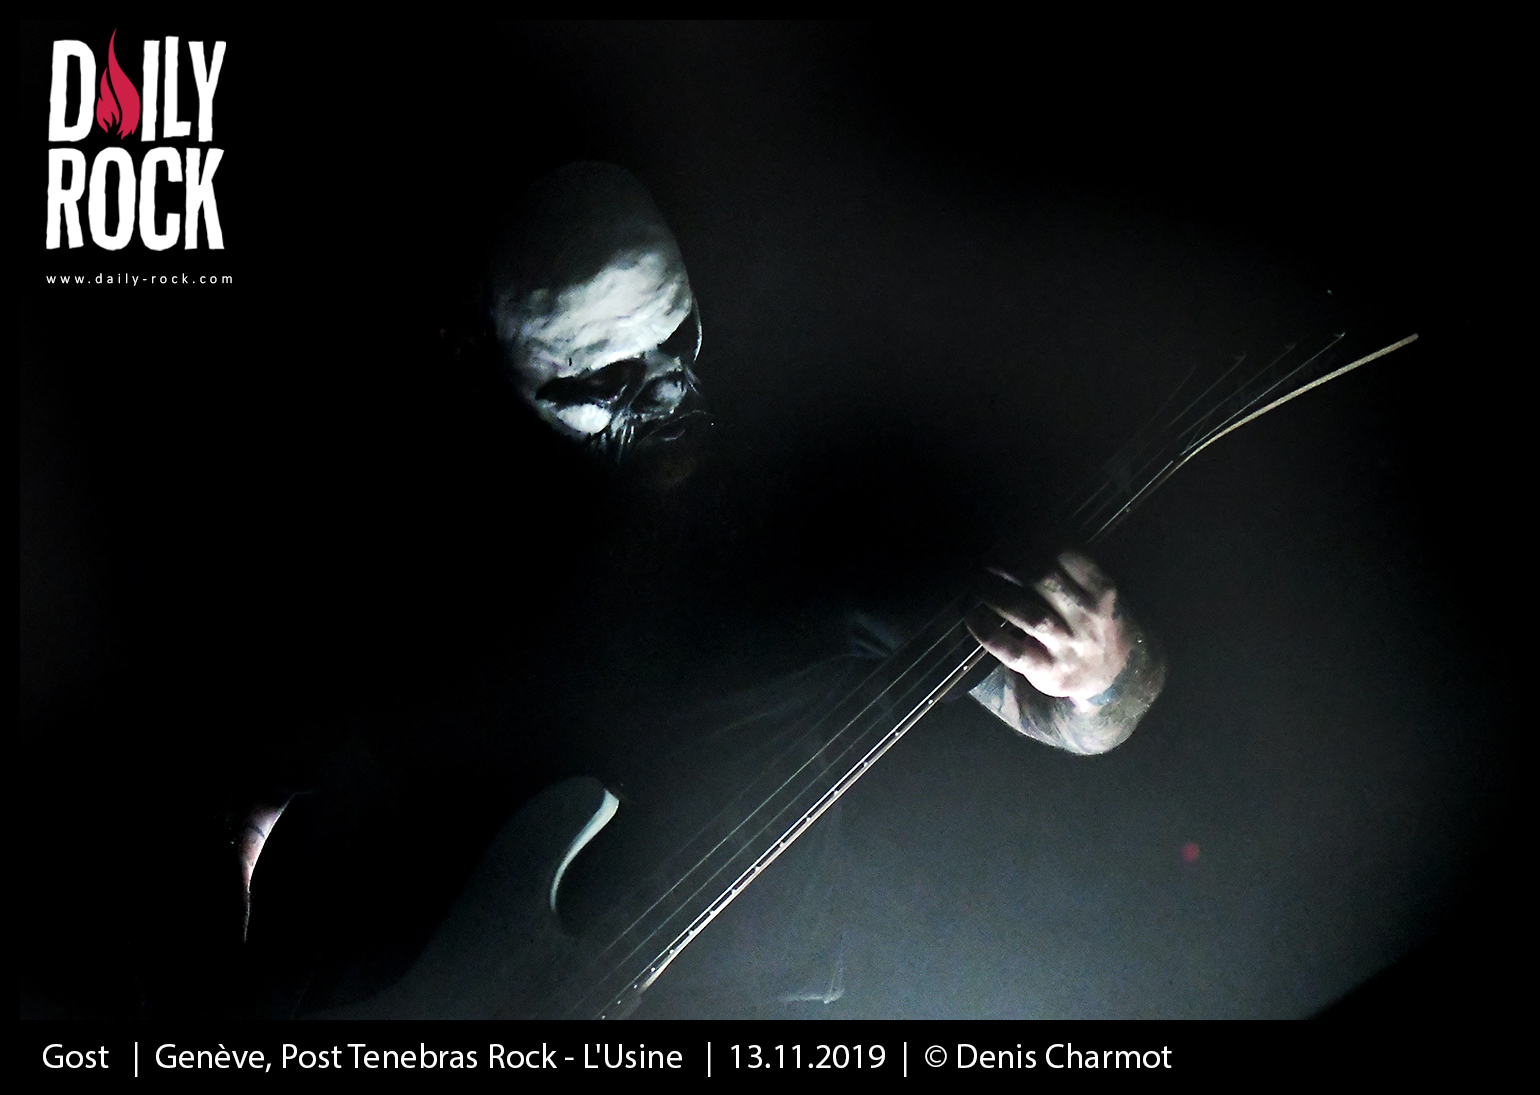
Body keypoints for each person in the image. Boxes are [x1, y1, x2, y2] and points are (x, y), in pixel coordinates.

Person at [223, 162, 1165, 1019]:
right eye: (605, 377)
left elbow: (1070, 713)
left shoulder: (813, 522)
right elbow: (253, 791)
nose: (667, 392)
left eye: (675, 336)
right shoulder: (421, 553)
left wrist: (1101, 669)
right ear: (488, 359)